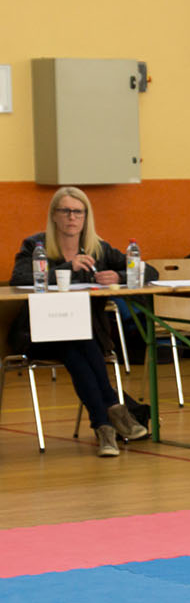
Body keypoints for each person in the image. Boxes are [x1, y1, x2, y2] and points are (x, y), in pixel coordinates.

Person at [7, 187, 152, 457]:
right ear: (54, 215)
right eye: (65, 211)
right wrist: (68, 267)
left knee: (73, 344)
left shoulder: (99, 248)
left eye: (78, 212)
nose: (72, 217)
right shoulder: (35, 246)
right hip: (37, 334)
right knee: (73, 340)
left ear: (86, 217)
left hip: (85, 336)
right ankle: (112, 410)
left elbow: (149, 271)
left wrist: (119, 276)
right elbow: (19, 279)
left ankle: (103, 427)